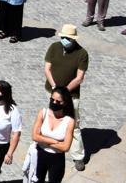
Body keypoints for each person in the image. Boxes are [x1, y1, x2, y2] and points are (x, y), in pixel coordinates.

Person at [43, 25, 88, 171]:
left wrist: (64, 91)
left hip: (71, 96)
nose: (64, 40)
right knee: (51, 120)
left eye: (67, 38)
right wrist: (55, 87)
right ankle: (48, 147)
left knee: (74, 125)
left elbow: (79, 77)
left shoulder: (82, 54)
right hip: (52, 92)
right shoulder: (54, 47)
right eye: (63, 37)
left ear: (73, 39)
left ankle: (78, 156)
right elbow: (47, 68)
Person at [32, 86, 76, 183]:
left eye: (58, 101)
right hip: (40, 153)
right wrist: (53, 141)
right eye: (52, 99)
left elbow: (65, 147)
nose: (54, 103)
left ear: (65, 103)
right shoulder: (43, 113)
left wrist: (43, 139)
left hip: (56, 159)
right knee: (36, 180)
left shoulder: (69, 121)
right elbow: (34, 136)